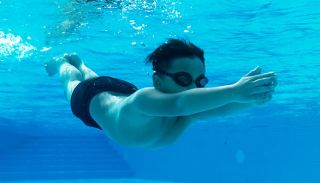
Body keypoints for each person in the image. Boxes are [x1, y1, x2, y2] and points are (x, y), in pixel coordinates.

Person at [44, 38, 278, 149]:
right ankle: (61, 64)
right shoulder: (144, 99)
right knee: (71, 80)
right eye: (184, 79)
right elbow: (180, 104)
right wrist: (236, 90)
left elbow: (220, 108)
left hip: (118, 91)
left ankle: (83, 64)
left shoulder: (187, 109)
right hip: (89, 98)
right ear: (158, 80)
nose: (194, 87)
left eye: (200, 81)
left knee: (93, 76)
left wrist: (253, 98)